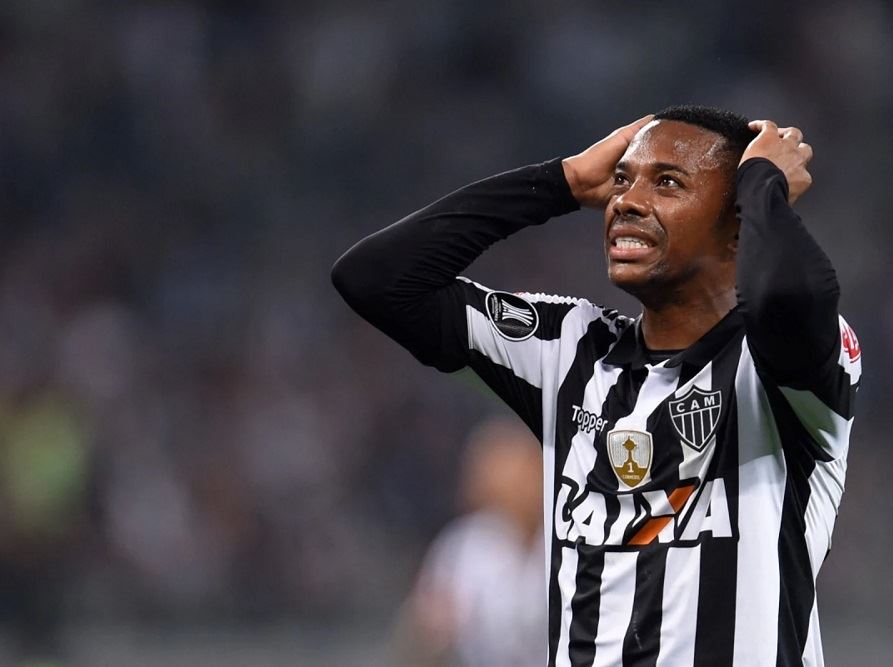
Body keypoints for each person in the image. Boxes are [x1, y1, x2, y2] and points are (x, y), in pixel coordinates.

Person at [332, 105, 861, 666]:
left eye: (667, 183)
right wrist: (559, 182)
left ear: (737, 224)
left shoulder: (779, 365)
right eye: (623, 180)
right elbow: (376, 279)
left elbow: (787, 296)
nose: (626, 201)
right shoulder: (568, 349)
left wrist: (761, 185)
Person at [392, 416, 546, 667]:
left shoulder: (573, 538)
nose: (524, 483)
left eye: (530, 469)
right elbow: (421, 637)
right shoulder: (463, 548)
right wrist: (429, 631)